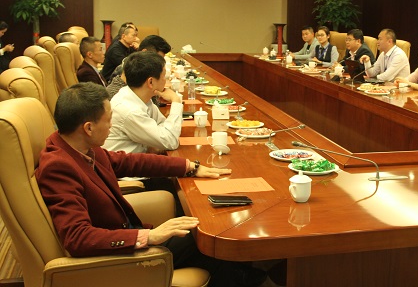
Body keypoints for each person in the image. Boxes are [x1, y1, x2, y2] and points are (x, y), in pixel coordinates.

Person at [35, 82, 266, 286]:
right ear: (88, 127)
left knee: (205, 238)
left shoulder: (80, 148)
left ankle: (240, 275)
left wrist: (189, 166)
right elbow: (77, 237)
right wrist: (149, 237)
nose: (112, 125)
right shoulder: (59, 167)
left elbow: (130, 162)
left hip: (128, 235)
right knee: (207, 237)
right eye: (108, 120)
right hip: (116, 258)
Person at [104, 51, 181, 154]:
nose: (165, 81)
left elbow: (164, 127)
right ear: (150, 82)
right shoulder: (129, 110)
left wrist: (159, 141)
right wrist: (176, 101)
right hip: (122, 164)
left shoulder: (139, 96)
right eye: (164, 76)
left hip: (138, 160)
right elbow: (170, 141)